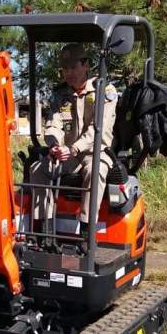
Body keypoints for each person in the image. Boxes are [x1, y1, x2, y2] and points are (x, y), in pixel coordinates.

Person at [31, 43, 118, 235]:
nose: (68, 73)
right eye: (64, 69)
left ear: (86, 65)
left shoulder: (104, 91)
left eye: (73, 68)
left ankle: (87, 233)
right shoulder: (60, 94)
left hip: (95, 151)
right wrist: (53, 145)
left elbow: (99, 130)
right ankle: (46, 231)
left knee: (95, 170)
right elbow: (54, 124)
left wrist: (74, 148)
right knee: (37, 170)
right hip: (68, 153)